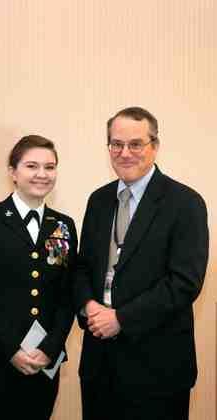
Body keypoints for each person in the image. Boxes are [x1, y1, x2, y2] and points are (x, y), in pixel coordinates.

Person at [73, 107, 209, 420]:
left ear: (155, 146)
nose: (125, 153)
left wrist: (122, 318)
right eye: (116, 144)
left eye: (136, 144)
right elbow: (82, 268)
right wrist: (88, 305)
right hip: (99, 364)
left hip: (157, 369)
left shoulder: (185, 203)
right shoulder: (98, 200)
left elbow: (184, 282)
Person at [0, 135, 77, 420]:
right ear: (13, 172)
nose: (42, 174)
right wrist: (12, 349)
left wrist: (50, 349)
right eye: (31, 166)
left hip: (43, 362)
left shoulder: (63, 225)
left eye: (50, 167)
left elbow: (67, 294)